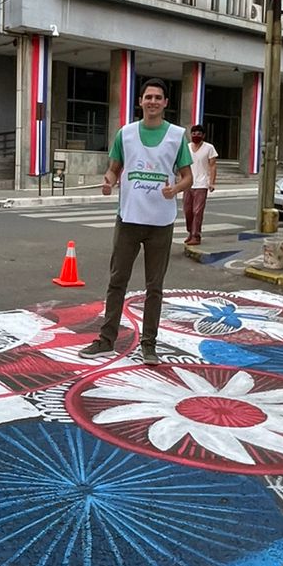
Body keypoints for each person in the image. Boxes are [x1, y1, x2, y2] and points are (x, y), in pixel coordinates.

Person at [82, 79, 194, 364]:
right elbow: (114, 170)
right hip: (129, 219)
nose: (153, 102)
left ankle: (149, 345)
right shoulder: (126, 134)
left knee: (154, 287)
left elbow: (188, 177)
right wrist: (107, 182)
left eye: (158, 97)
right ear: (140, 101)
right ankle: (106, 340)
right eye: (148, 97)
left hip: (161, 222)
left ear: (165, 103)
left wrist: (176, 189)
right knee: (117, 281)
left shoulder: (176, 136)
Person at [183, 124, 218, 246]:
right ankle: (190, 232)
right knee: (187, 211)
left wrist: (212, 182)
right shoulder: (186, 148)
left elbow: (212, 166)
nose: (196, 136)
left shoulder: (209, 148)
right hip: (188, 184)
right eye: (193, 134)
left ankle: (196, 235)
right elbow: (183, 165)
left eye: (198, 134)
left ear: (203, 135)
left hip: (202, 184)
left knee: (197, 211)